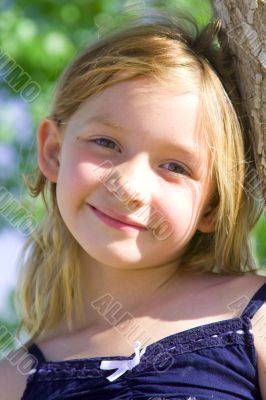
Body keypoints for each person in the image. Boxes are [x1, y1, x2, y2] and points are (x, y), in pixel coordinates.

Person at [0, 5, 265, 400]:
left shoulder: (256, 321)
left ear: (212, 207)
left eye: (175, 166)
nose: (128, 186)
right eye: (106, 143)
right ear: (53, 151)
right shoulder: (14, 381)